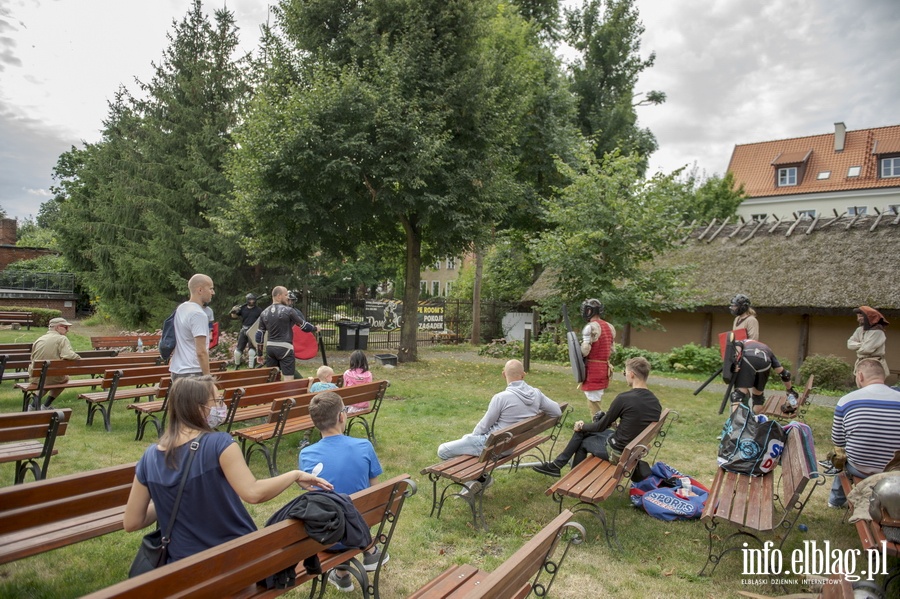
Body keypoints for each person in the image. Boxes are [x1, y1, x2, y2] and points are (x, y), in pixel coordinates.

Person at [123, 376, 332, 564]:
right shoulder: (218, 444)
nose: (221, 407)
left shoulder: (149, 457)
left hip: (181, 565)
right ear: (198, 408)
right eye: (217, 401)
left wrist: (168, 497)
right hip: (235, 559)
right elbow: (253, 493)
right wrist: (295, 474)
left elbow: (132, 522)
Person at [300, 391, 385, 593]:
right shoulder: (364, 446)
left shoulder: (306, 454)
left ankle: (342, 575)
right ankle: (356, 561)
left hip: (327, 537)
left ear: (315, 423)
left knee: (331, 508)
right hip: (362, 526)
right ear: (341, 416)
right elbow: (375, 490)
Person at [438, 359, 561, 494]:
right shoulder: (536, 394)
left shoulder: (501, 397)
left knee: (443, 450)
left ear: (504, 374)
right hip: (511, 446)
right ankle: (478, 479)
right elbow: (556, 411)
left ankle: (481, 479)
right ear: (523, 375)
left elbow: (484, 426)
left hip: (492, 447)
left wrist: (472, 438)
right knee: (465, 441)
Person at [533, 357, 662, 477]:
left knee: (582, 440)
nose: (625, 376)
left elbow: (600, 426)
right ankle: (557, 466)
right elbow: (635, 423)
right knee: (584, 432)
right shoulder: (655, 402)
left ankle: (570, 476)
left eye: (625, 373)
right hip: (633, 450)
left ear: (632, 374)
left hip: (618, 452)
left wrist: (582, 425)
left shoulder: (624, 398)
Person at [827, 359, 900, 509]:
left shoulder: (846, 401)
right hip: (895, 471)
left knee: (841, 458)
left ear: (860, 376)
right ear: (884, 376)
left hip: (861, 467)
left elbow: (838, 441)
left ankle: (836, 501)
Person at [257, 286, 318, 380]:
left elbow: (260, 335)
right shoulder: (289, 311)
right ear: (278, 296)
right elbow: (304, 326)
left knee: (273, 379)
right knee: (288, 381)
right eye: (285, 295)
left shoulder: (264, 312)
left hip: (270, 349)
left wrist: (259, 354)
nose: (287, 297)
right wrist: (315, 328)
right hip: (285, 348)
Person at [726, 339, 796, 415]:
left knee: (739, 395)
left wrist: (734, 361)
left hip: (748, 359)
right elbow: (785, 374)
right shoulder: (767, 349)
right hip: (765, 362)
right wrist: (790, 390)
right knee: (758, 397)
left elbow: (737, 344)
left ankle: (736, 423)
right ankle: (754, 419)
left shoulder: (744, 341)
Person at [28, 317, 81, 410]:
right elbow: (68, 355)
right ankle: (46, 405)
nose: (68, 330)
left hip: (35, 376)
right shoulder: (62, 339)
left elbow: (32, 357)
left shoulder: (39, 339)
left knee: (48, 379)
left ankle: (33, 405)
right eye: (65, 327)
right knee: (64, 379)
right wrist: (79, 358)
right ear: (57, 328)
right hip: (51, 376)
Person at [169, 274, 215, 379]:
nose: (213, 292)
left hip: (177, 370)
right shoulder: (198, 314)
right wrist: (208, 378)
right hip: (193, 372)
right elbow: (201, 352)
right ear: (200, 290)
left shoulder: (181, 308)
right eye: (211, 288)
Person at [579, 299, 616, 417]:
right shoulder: (609, 326)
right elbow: (611, 349)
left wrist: (577, 354)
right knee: (596, 397)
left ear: (589, 311)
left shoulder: (590, 327)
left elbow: (585, 350)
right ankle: (600, 425)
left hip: (593, 369)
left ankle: (599, 427)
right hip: (604, 367)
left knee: (593, 401)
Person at [847, 306, 889, 378]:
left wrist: (859, 346)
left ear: (869, 317)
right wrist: (863, 344)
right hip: (861, 362)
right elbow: (849, 344)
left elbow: (866, 350)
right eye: (858, 316)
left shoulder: (878, 332)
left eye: (861, 316)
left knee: (873, 385)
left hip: (875, 364)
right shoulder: (859, 330)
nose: (858, 319)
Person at [230, 293, 263, 369]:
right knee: (237, 351)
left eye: (253, 300)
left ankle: (251, 367)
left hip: (253, 330)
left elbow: (262, 321)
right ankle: (237, 365)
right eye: (250, 300)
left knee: (251, 351)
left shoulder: (258, 310)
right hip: (244, 329)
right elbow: (234, 316)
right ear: (247, 300)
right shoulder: (242, 308)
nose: (252, 301)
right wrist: (234, 311)